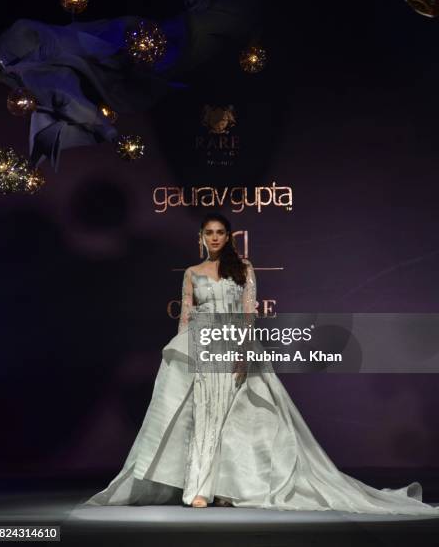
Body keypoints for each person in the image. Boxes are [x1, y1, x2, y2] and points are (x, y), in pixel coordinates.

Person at [83, 212, 439, 514]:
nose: (215, 237)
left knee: (233, 418)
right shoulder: (192, 272)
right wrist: (179, 350)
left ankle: (223, 487)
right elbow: (187, 316)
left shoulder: (244, 270)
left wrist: (244, 352)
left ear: (228, 236)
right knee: (205, 414)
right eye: (209, 232)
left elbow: (249, 316)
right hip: (202, 346)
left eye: (221, 232)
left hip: (233, 345)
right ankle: (200, 489)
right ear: (202, 236)